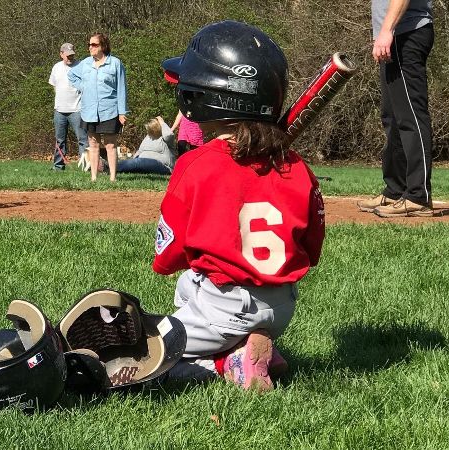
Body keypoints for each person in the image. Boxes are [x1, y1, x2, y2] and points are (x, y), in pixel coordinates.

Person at [155, 21, 325, 391]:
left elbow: (168, 256)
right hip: (282, 306)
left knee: (150, 356)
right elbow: (311, 249)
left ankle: (226, 361)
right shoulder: (298, 167)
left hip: (226, 308)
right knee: (188, 285)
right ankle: (252, 342)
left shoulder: (195, 164)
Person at [357, 0, 434, 217]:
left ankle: (418, 196)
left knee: (411, 117)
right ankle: (395, 190)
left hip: (407, 34)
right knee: (392, 118)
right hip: (396, 37)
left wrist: (386, 30)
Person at [68, 32, 128, 182]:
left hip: (110, 110)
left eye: (94, 44)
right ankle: (93, 178)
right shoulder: (85, 63)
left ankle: (113, 178)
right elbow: (71, 75)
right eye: (89, 44)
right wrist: (83, 86)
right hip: (89, 111)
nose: (90, 47)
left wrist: (122, 112)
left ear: (103, 46)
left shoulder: (115, 63)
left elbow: (122, 88)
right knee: (93, 144)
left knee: (110, 144)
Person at [49, 42, 87, 171]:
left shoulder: (81, 66)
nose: (70, 58)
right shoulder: (56, 67)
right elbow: (54, 85)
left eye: (72, 55)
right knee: (60, 140)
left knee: (82, 139)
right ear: (61, 54)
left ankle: (85, 166)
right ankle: (58, 166)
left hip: (78, 109)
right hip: (59, 110)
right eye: (67, 55)